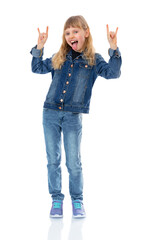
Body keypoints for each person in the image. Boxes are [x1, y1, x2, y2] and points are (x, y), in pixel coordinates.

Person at [30, 15, 122, 218]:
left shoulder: (93, 59)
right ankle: (56, 199)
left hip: (73, 116)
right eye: (67, 32)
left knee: (73, 162)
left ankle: (77, 200)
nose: (71, 35)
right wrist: (39, 46)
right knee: (52, 160)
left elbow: (113, 73)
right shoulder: (59, 56)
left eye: (75, 31)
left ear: (86, 33)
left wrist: (113, 49)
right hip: (50, 113)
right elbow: (36, 68)